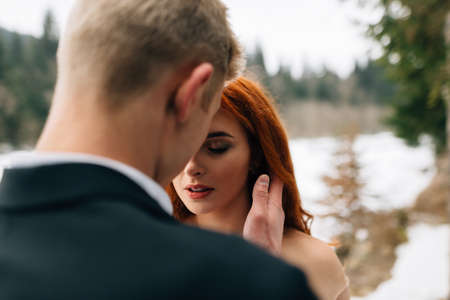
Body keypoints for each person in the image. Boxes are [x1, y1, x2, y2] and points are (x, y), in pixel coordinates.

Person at [0, 1, 319, 299]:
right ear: (189, 95)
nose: (194, 162)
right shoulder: (243, 282)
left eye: (216, 146)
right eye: (208, 115)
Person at [169, 76, 351, 300]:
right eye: (180, 146)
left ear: (256, 153)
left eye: (216, 147)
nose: (191, 167)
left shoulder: (313, 262)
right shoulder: (150, 249)